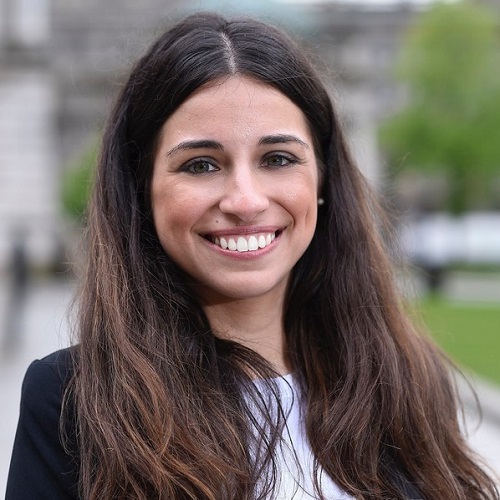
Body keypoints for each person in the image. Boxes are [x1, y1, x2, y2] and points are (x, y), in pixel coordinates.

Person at [6, 11, 499, 500]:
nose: (245, 200)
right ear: (142, 189)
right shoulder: (71, 401)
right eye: (201, 165)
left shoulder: (404, 377)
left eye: (277, 159)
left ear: (323, 180)